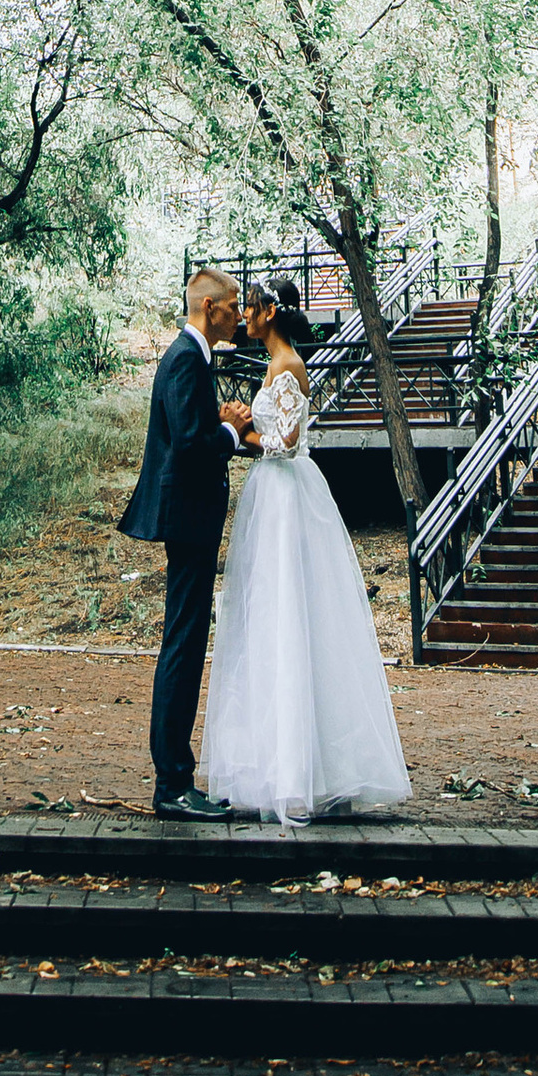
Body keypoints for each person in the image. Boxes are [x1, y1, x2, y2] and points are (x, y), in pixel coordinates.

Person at [202, 286, 409, 822]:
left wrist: (242, 430)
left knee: (291, 613)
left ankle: (297, 770)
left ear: (269, 313)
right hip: (271, 494)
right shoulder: (277, 363)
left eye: (249, 308)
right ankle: (275, 762)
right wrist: (248, 420)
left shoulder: (289, 364)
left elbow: (287, 441)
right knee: (268, 618)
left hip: (287, 494)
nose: (243, 316)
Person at [118, 268, 248, 817]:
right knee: (184, 643)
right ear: (210, 307)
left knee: (188, 639)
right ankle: (172, 784)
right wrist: (233, 430)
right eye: (234, 304)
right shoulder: (184, 358)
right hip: (188, 517)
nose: (240, 314)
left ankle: (175, 779)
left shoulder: (194, 357)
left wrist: (216, 422)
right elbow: (193, 443)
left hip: (192, 516)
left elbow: (189, 426)